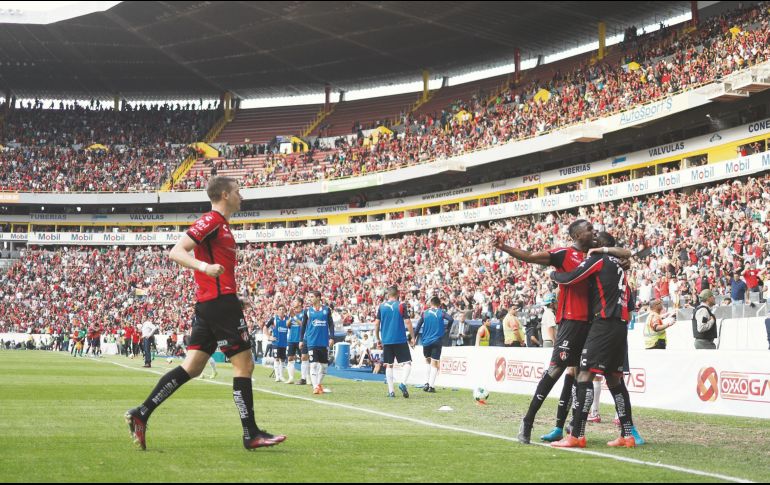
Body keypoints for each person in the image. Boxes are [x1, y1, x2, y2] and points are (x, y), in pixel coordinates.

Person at [125, 177, 285, 451]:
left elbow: (217, 271)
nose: (241, 196)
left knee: (192, 367)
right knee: (244, 366)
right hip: (218, 305)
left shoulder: (223, 226)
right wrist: (203, 267)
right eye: (237, 191)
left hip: (216, 303)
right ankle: (251, 434)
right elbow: (177, 251)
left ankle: (142, 412)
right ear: (224, 194)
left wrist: (235, 297)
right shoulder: (211, 221)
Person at [495, 219, 631, 445]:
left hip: (592, 324)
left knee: (581, 376)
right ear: (577, 235)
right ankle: (528, 420)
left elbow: (621, 260)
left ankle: (573, 428)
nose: (593, 232)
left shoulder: (596, 258)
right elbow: (530, 257)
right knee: (556, 370)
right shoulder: (563, 254)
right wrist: (504, 247)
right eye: (589, 229)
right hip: (570, 322)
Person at [549, 232, 642, 448]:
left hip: (604, 323)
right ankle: (627, 434)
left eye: (593, 241)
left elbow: (571, 277)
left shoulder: (598, 259)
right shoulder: (619, 264)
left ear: (598, 245)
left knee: (585, 374)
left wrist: (554, 276)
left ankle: (577, 435)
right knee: (614, 379)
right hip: (620, 324)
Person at [374, 286, 415, 399]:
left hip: (387, 340)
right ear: (398, 294)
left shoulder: (382, 307)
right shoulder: (401, 305)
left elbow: (376, 324)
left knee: (389, 365)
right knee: (407, 363)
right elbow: (408, 322)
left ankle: (391, 392)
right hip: (400, 339)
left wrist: (378, 339)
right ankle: (402, 383)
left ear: (388, 295)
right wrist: (413, 337)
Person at [414, 296, 453, 393]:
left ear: (431, 303)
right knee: (435, 362)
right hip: (437, 341)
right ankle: (431, 386)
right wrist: (447, 328)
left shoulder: (425, 313)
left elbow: (418, 325)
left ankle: (426, 383)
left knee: (427, 361)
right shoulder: (441, 312)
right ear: (439, 304)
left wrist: (413, 337)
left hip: (426, 341)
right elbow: (451, 319)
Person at [301, 291, 335, 395]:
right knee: (314, 364)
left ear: (318, 297)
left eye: (312, 297)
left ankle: (318, 385)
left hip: (323, 342)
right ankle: (315, 387)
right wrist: (301, 340)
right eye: (309, 297)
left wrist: (331, 337)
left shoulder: (326, 310)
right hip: (311, 341)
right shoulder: (307, 310)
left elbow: (331, 324)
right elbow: (303, 326)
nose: (309, 298)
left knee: (324, 366)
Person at [265, 305, 289, 383]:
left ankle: (281, 376)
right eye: (280, 309)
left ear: (285, 311)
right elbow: (265, 327)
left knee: (283, 360)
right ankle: (277, 376)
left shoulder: (288, 319)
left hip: (284, 343)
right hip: (276, 342)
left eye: (283, 309)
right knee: (276, 359)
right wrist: (269, 336)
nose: (281, 310)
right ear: (277, 311)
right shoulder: (274, 319)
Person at [286, 298, 307, 385]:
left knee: (304, 358)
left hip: (300, 339)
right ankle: (291, 378)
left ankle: (304, 378)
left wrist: (294, 316)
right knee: (290, 358)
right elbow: (287, 325)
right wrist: (291, 317)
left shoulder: (304, 313)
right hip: (291, 339)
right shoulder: (292, 313)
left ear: (300, 303)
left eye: (295, 301)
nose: (293, 302)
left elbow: (303, 324)